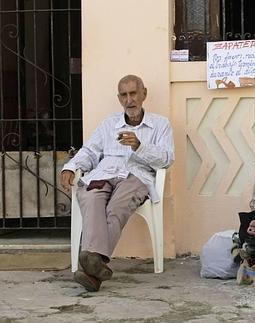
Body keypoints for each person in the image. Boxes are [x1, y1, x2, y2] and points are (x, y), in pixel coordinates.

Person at [60, 75, 175, 291]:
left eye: (133, 93)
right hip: (104, 173)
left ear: (144, 94)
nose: (129, 100)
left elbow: (167, 159)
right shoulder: (109, 124)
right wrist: (69, 167)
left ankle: (89, 266)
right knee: (90, 198)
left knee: (116, 209)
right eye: (124, 95)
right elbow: (90, 151)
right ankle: (95, 269)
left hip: (136, 176)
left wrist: (140, 146)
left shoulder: (161, 125)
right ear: (119, 98)